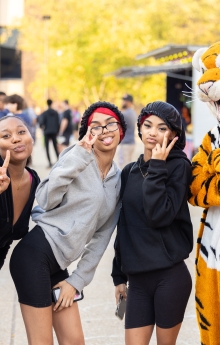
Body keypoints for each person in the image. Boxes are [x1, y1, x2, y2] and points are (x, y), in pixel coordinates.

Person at [9, 101, 126, 345]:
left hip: (58, 265)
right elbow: (45, 198)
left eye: (110, 124)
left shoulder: (118, 180)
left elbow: (102, 238)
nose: (104, 130)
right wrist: (78, 158)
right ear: (88, 133)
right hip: (34, 255)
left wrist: (77, 281)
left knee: (74, 341)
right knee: (42, 342)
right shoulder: (76, 155)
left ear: (120, 129)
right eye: (96, 126)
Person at [112, 101, 193, 345]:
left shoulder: (179, 166)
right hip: (137, 280)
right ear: (139, 128)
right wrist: (118, 276)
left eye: (161, 128)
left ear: (174, 135)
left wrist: (157, 166)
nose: (152, 132)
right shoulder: (130, 171)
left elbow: (160, 215)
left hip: (169, 276)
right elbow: (124, 225)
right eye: (147, 125)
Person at [0, 115, 40, 270]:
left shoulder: (33, 180)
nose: (16, 139)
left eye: (21, 132)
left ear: (32, 138)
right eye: (6, 136)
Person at [38, 99, 60, 168]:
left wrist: (42, 127)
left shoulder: (44, 113)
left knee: (47, 148)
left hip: (47, 132)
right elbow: (58, 122)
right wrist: (57, 131)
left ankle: (49, 163)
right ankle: (59, 161)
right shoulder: (55, 112)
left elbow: (41, 123)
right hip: (54, 131)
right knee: (55, 147)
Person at [117, 93, 137, 169]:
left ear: (129, 102)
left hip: (125, 145)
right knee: (129, 167)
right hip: (131, 143)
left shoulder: (125, 114)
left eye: (125, 100)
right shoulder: (133, 112)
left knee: (123, 168)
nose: (123, 102)